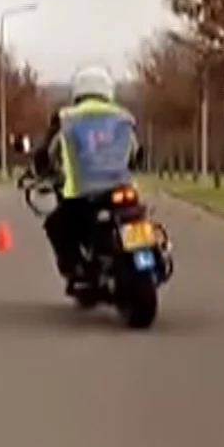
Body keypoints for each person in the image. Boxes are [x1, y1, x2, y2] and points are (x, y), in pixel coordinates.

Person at [31, 66, 144, 292]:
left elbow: (48, 153)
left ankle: (77, 269)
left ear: (78, 91)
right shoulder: (124, 118)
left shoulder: (65, 119)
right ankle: (150, 254)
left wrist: (43, 171)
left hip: (81, 193)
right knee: (138, 216)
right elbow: (136, 152)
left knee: (56, 225)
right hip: (122, 190)